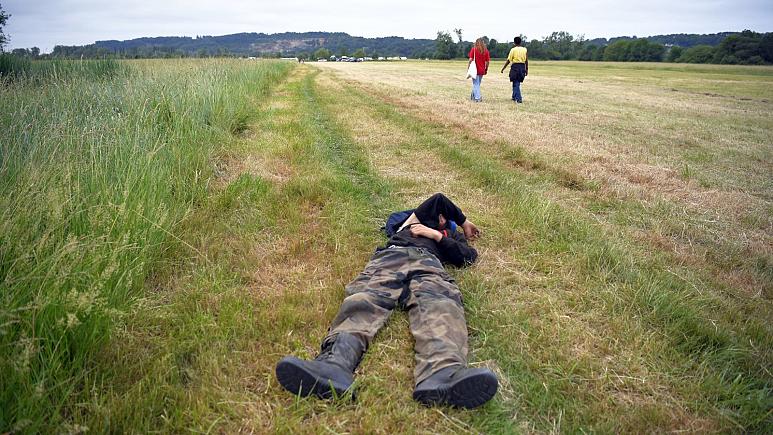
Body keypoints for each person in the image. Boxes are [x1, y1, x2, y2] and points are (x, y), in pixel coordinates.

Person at [276, 193, 498, 409]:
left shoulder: (448, 235)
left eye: (445, 219)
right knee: (366, 297)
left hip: (429, 265)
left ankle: (443, 372)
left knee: (440, 303)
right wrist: (464, 221)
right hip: (391, 257)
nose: (442, 218)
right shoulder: (408, 222)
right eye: (440, 215)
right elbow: (437, 199)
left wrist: (438, 236)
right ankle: (334, 365)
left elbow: (467, 257)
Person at [500, 36, 528, 103]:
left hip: (515, 67)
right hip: (522, 66)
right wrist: (527, 69)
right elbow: (526, 60)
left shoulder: (513, 50)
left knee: (516, 83)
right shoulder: (524, 49)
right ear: (520, 42)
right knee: (516, 82)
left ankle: (519, 98)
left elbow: (509, 60)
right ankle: (514, 96)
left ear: (514, 42)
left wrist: (503, 68)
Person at [467, 38, 491, 102]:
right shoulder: (486, 51)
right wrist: (486, 69)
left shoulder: (474, 50)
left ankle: (477, 98)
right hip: (482, 70)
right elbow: (488, 62)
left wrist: (468, 67)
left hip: (475, 70)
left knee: (475, 84)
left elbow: (470, 60)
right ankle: (473, 96)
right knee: (477, 84)